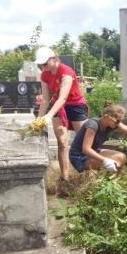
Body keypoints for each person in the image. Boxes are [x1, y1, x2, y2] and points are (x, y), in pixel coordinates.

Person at [35, 46, 88, 180]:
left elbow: (63, 97)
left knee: (83, 141)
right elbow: (46, 98)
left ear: (53, 59)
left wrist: (49, 115)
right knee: (62, 142)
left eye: (45, 63)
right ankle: (65, 178)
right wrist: (39, 118)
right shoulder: (45, 75)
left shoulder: (66, 72)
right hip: (59, 107)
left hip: (75, 105)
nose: (43, 66)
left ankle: (87, 174)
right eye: (40, 64)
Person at [69, 103, 127, 173]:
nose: (118, 123)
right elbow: (86, 149)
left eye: (119, 121)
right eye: (117, 121)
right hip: (79, 157)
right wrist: (105, 160)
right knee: (113, 163)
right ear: (107, 117)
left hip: (94, 152)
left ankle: (112, 182)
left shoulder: (112, 124)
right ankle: (104, 183)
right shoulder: (93, 125)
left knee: (121, 157)